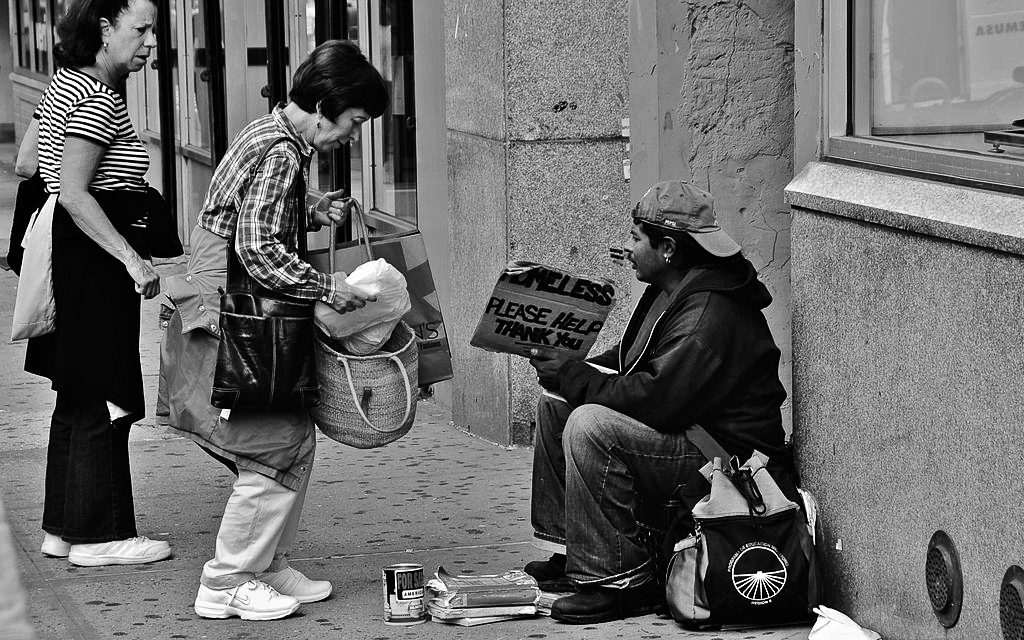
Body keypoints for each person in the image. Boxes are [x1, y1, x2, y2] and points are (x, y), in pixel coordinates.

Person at [159, 39, 388, 621]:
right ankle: (228, 580)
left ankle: (267, 564)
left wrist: (311, 210)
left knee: (291, 439)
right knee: (272, 445)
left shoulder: (269, 136)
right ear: (324, 105)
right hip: (237, 320)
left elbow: (243, 215)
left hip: (228, 313)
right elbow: (259, 248)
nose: (353, 136)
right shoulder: (283, 153)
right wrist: (329, 286)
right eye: (354, 122)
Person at [523, 180, 789, 624]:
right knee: (557, 405)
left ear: (667, 248)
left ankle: (622, 581)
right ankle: (572, 554)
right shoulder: (672, 288)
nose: (626, 249)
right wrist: (572, 369)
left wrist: (576, 377)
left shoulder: (710, 313)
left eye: (634, 238)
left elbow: (659, 398)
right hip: (689, 430)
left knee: (590, 425)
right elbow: (634, 363)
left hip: (725, 457)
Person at [23, 0, 181, 568]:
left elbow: (28, 164)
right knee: (103, 391)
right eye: (140, 30)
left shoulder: (62, 86)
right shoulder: (95, 95)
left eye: (153, 31)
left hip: (74, 260)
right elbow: (72, 190)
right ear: (103, 28)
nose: (149, 43)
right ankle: (100, 534)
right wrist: (133, 261)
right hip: (94, 263)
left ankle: (63, 529)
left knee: (78, 390)